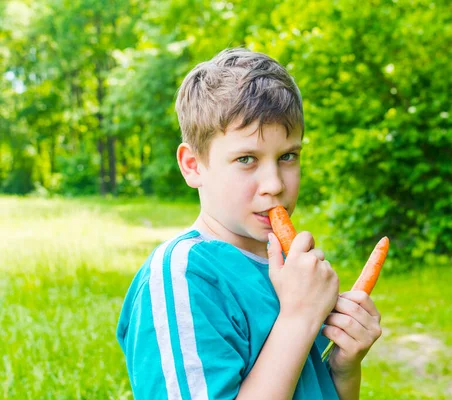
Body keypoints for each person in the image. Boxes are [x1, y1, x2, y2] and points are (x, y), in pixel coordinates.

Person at [116, 47, 382, 400]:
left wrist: (344, 368)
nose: (275, 184)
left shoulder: (289, 273)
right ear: (193, 165)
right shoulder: (184, 277)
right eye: (246, 159)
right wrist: (298, 319)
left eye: (288, 156)